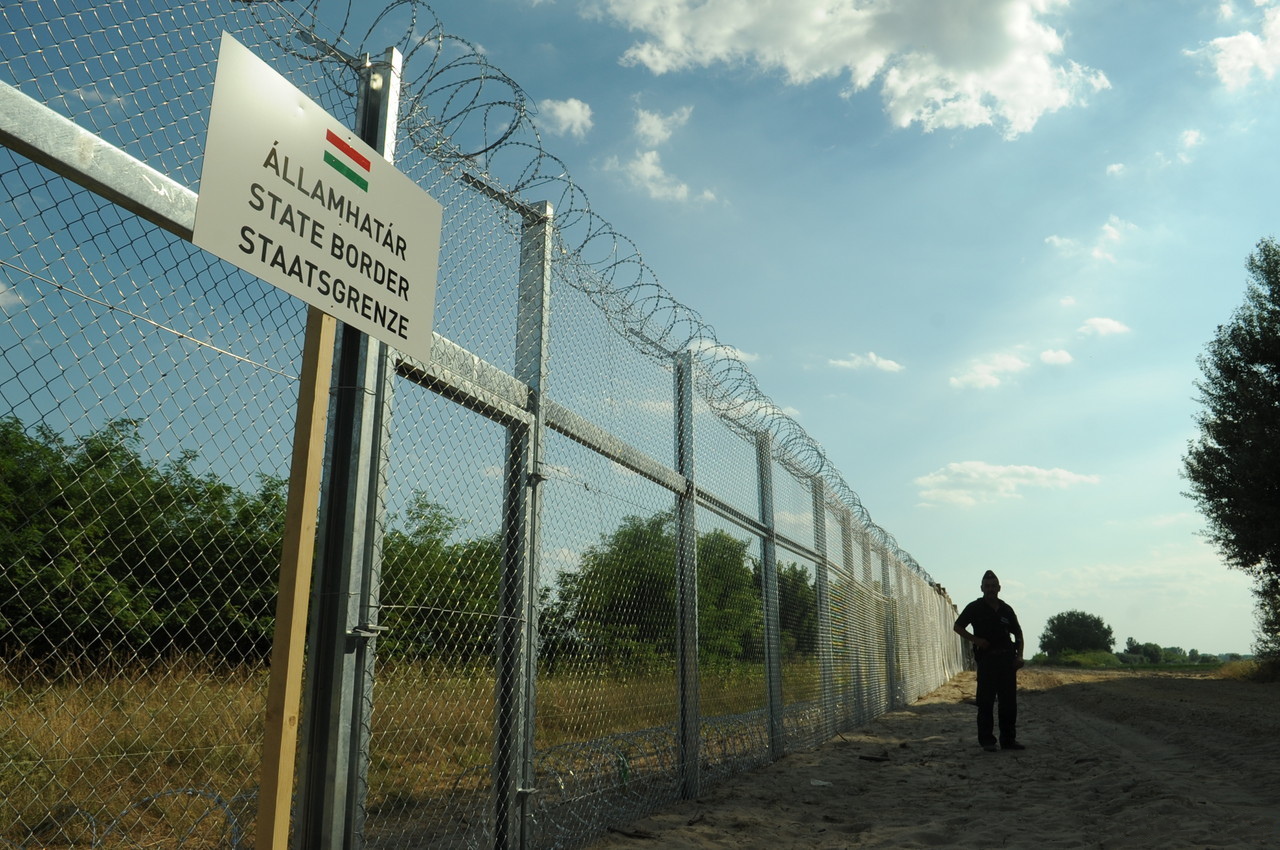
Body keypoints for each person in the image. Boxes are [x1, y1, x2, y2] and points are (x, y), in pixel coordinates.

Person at [953, 570, 1025, 752]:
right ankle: (987, 741)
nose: (991, 589)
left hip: (1007, 661)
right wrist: (976, 640)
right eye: (987, 586)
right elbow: (958, 626)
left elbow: (1018, 634)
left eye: (994, 586)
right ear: (982, 588)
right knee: (985, 702)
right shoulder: (975, 608)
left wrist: (1019, 656)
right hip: (987, 661)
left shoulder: (1006, 609)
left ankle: (1008, 740)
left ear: (999, 588)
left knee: (1008, 703)